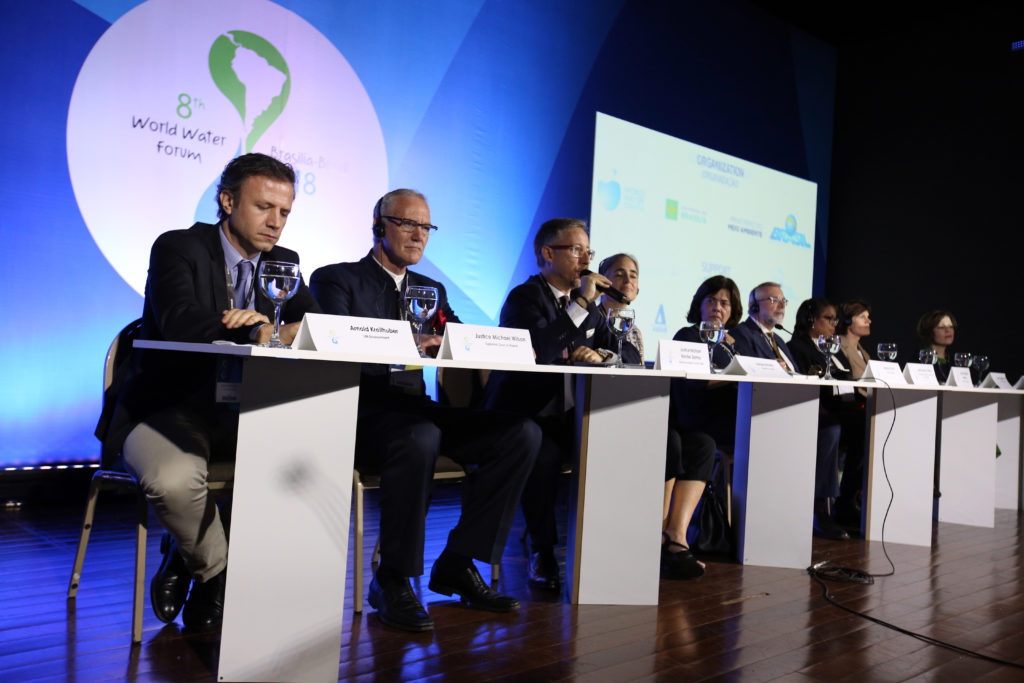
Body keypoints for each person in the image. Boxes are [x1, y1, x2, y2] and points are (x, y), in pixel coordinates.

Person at [99, 153, 321, 631]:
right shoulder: (178, 247)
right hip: (167, 406)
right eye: (263, 207)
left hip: (246, 411)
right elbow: (179, 319)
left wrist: (282, 329)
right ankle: (218, 577)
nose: (276, 223)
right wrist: (251, 329)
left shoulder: (283, 262)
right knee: (171, 480)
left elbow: (315, 325)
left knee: (300, 464)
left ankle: (185, 555)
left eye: (284, 212)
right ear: (227, 201)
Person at [309, 189, 540, 632]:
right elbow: (335, 339)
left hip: (415, 409)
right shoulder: (336, 279)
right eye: (408, 224)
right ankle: (393, 577)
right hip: (360, 411)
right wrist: (413, 341)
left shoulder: (430, 290)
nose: (419, 235)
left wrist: (496, 346)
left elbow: (456, 339)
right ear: (379, 225)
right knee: (420, 434)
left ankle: (458, 560)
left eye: (426, 227)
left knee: (521, 433)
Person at [483, 218, 617, 592]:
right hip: (526, 413)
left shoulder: (590, 308)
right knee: (543, 455)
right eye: (576, 250)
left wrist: (601, 354)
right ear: (547, 253)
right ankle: (543, 550)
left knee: (616, 441)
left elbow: (616, 350)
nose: (586, 260)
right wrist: (583, 302)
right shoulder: (524, 298)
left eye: (588, 252)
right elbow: (540, 349)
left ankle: (612, 546)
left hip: (569, 414)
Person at [730, 283, 848, 539]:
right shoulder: (741, 334)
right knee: (828, 429)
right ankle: (814, 509)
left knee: (830, 426)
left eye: (784, 301)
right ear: (753, 306)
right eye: (773, 300)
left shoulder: (780, 341)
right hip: (761, 415)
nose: (781, 305)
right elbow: (745, 371)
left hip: (789, 412)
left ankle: (818, 508)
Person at [664, 276, 742, 578]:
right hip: (692, 416)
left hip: (720, 422)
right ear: (699, 304)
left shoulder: (730, 344)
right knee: (703, 442)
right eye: (711, 301)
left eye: (724, 303)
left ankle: (677, 534)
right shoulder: (688, 335)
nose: (717, 307)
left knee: (710, 443)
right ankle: (670, 536)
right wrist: (733, 376)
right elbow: (693, 386)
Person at [790, 298, 866, 527]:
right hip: (816, 412)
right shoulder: (798, 347)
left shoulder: (835, 349)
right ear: (810, 320)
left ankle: (848, 501)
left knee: (872, 425)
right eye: (829, 319)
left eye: (835, 320)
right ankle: (821, 507)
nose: (834, 324)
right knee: (833, 427)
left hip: (844, 409)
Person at [596, 253, 642, 365]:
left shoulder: (635, 332)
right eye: (619, 275)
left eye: (633, 276)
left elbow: (639, 370)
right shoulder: (592, 320)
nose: (628, 280)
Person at [916, 310, 957, 383]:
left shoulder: (955, 362)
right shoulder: (920, 359)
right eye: (942, 327)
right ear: (929, 331)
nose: (948, 330)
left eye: (951, 326)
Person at [836, 300, 872, 381]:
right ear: (848, 321)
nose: (869, 321)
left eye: (868, 317)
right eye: (862, 317)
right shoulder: (837, 348)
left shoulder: (864, 353)